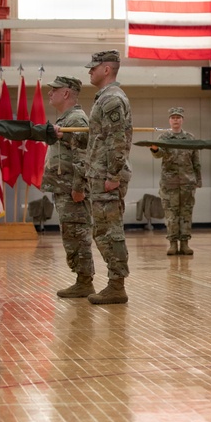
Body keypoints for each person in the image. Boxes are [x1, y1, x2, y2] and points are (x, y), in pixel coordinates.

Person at [83, 49, 132, 305]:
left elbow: (117, 141)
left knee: (110, 231)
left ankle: (116, 285)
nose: (90, 71)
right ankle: (114, 283)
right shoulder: (104, 98)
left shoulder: (112, 99)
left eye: (93, 67)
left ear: (106, 69)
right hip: (100, 175)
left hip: (107, 177)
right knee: (102, 230)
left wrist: (113, 174)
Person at [41, 75, 95, 299]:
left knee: (77, 234)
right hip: (64, 188)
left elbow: (82, 157)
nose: (49, 93)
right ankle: (81, 279)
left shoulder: (76, 120)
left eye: (54, 90)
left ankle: (84, 281)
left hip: (72, 189)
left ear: (66, 93)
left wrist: (79, 186)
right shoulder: (67, 119)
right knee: (71, 234)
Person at [150, 107, 201, 256]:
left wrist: (198, 180)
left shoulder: (190, 138)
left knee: (186, 213)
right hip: (169, 182)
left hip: (187, 182)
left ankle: (185, 243)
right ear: (169, 120)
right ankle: (173, 243)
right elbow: (159, 155)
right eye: (173, 117)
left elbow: (195, 161)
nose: (176, 120)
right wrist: (154, 149)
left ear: (182, 120)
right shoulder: (163, 138)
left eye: (178, 117)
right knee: (171, 214)